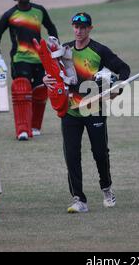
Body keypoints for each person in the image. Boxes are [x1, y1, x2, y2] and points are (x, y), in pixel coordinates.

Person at [44, 12, 130, 213]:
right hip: (71, 111)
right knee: (71, 156)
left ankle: (106, 188)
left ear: (90, 28)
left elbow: (124, 69)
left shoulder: (99, 50)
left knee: (100, 153)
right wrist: (46, 80)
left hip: (94, 110)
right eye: (76, 26)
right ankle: (79, 199)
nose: (79, 30)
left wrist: (118, 86)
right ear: (72, 27)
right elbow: (52, 74)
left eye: (83, 27)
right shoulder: (63, 50)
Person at [0, 0, 58, 141]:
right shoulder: (10, 14)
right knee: (22, 91)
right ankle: (22, 129)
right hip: (20, 59)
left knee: (41, 91)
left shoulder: (39, 10)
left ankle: (35, 126)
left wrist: (54, 43)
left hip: (40, 59)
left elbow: (51, 28)